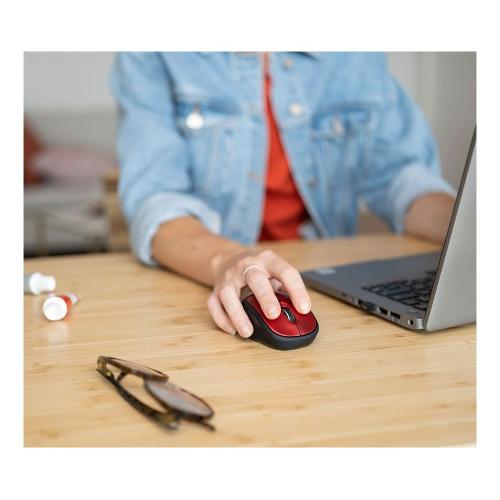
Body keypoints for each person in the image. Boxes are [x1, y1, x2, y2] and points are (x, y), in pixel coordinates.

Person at [111, 52, 455, 339]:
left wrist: (465, 228)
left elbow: (400, 175)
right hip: (213, 273)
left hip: (323, 285)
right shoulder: (154, 51)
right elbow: (157, 200)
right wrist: (228, 261)